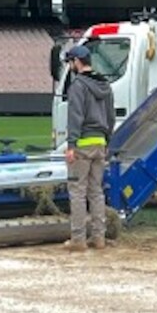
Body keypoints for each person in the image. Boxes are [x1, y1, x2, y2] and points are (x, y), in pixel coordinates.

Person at [62, 45, 115, 251]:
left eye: (71, 62)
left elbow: (75, 117)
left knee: (77, 191)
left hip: (82, 145)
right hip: (100, 144)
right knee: (96, 192)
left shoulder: (78, 86)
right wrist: (107, 140)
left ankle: (78, 239)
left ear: (77, 62)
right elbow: (110, 118)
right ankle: (98, 238)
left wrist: (71, 145)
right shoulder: (105, 85)